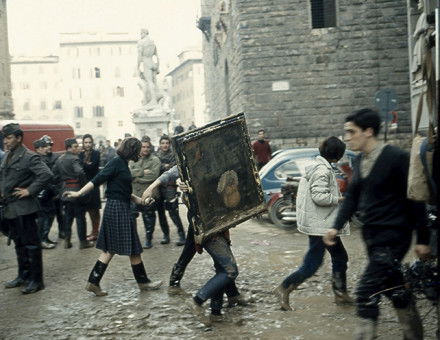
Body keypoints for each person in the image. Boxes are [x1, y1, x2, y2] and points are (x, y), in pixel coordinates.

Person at [323, 108, 431, 339]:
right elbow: (352, 197)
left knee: (365, 292)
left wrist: (422, 239)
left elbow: (416, 199)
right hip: (372, 237)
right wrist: (335, 226)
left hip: (393, 237)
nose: (347, 138)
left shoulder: (396, 158)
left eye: (351, 132)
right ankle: (414, 335)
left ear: (368, 131)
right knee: (395, 290)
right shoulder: (362, 160)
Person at [142, 166, 244, 323]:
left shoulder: (219, 158)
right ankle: (198, 300)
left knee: (221, 266)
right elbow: (172, 173)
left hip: (218, 219)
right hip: (205, 221)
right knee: (228, 269)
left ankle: (217, 310)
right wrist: (156, 187)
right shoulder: (188, 159)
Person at [64, 137, 162, 296]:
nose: (139, 153)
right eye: (138, 150)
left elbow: (123, 191)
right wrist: (79, 193)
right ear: (132, 150)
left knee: (117, 248)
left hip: (118, 206)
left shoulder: (123, 163)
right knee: (127, 248)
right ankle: (142, 283)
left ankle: (94, 282)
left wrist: (141, 201)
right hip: (118, 208)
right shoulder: (117, 162)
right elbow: (97, 179)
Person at [274, 136, 353, 311]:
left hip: (323, 224)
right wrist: (340, 198)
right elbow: (320, 197)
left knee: (340, 257)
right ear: (338, 155)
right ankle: (284, 288)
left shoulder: (320, 166)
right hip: (320, 226)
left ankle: (340, 294)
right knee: (312, 264)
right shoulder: (322, 171)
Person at [0, 123, 52, 294]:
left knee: (31, 245)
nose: (5, 142)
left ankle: (37, 281)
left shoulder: (29, 156)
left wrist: (29, 190)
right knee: (19, 244)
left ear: (19, 138)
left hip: (25, 208)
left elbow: (46, 174)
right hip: (11, 208)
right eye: (4, 138)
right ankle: (23, 276)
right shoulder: (8, 156)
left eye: (8, 138)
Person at [53, 138, 93, 250]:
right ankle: (83, 242)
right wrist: (84, 185)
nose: (78, 148)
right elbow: (79, 172)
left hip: (65, 192)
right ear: (69, 148)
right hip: (76, 191)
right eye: (75, 146)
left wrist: (60, 187)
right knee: (80, 217)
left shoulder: (59, 159)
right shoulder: (75, 159)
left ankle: (67, 240)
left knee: (68, 217)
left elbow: (54, 175)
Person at [129, 137, 161, 249]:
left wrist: (136, 177)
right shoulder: (132, 160)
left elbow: (153, 176)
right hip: (134, 194)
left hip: (148, 194)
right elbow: (128, 173)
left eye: (148, 147)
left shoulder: (155, 160)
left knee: (149, 217)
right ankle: (134, 239)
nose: (145, 149)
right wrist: (142, 172)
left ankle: (148, 239)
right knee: (131, 217)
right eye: (143, 147)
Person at [155, 136, 186, 246]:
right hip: (159, 187)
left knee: (173, 212)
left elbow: (174, 168)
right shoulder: (156, 155)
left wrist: (164, 167)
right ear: (160, 144)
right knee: (161, 213)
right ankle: (166, 235)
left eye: (167, 143)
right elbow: (157, 168)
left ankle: (182, 235)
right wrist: (165, 166)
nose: (165, 145)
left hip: (170, 186)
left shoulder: (174, 155)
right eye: (162, 143)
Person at [33, 139, 56, 249]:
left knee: (49, 216)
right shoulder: (37, 160)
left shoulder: (42, 159)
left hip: (47, 193)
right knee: (44, 218)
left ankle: (45, 237)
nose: (47, 148)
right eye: (44, 147)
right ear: (38, 149)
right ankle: (42, 239)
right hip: (43, 194)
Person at [40, 135, 64, 240]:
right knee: (47, 216)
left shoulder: (56, 157)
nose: (49, 147)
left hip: (57, 190)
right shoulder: (39, 158)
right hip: (46, 192)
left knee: (60, 213)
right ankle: (44, 236)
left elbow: (60, 174)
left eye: (50, 145)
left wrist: (59, 190)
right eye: (46, 145)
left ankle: (62, 232)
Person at [79, 134, 102, 241]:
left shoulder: (96, 153)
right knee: (88, 209)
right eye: (86, 142)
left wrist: (85, 164)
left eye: (89, 142)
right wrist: (86, 164)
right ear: (83, 143)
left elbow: (92, 167)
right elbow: (82, 168)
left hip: (94, 185)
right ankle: (93, 232)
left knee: (95, 210)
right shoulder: (80, 154)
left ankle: (95, 232)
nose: (88, 144)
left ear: (92, 143)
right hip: (84, 186)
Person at [137, 28, 159, 106]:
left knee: (149, 82)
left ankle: (153, 100)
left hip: (146, 62)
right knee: (153, 82)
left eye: (141, 33)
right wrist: (157, 66)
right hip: (152, 62)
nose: (140, 35)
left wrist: (138, 67)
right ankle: (151, 99)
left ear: (144, 33)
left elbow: (139, 56)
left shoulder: (141, 42)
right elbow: (157, 55)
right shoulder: (152, 42)